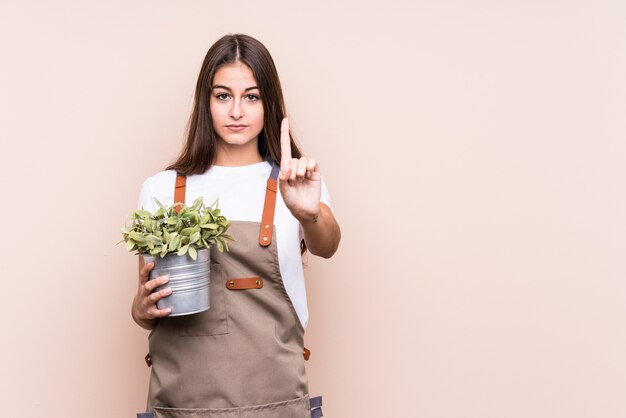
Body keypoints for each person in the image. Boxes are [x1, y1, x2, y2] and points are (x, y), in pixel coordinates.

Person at [131, 33, 341, 418]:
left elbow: (328, 245)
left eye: (252, 96)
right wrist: (142, 306)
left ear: (269, 103)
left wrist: (307, 212)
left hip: (276, 404)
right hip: (181, 407)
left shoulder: (296, 182)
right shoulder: (160, 190)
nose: (237, 112)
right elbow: (143, 309)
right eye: (223, 95)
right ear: (205, 101)